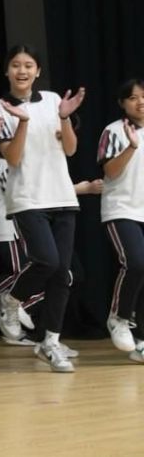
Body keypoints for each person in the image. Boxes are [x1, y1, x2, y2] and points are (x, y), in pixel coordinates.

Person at [0, 44, 85, 373]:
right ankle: (11, 299)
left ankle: (51, 342)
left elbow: (70, 150)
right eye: (16, 65)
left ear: (38, 71)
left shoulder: (54, 100)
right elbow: (13, 158)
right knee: (47, 260)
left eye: (28, 65)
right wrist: (23, 122)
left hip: (62, 197)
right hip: (27, 198)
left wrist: (65, 116)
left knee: (61, 274)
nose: (22, 71)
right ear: (7, 70)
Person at [98, 78, 144, 361]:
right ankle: (119, 317)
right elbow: (111, 171)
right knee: (136, 262)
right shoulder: (114, 131)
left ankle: (141, 341)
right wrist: (131, 147)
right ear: (122, 103)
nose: (140, 102)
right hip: (122, 209)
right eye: (133, 97)